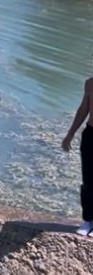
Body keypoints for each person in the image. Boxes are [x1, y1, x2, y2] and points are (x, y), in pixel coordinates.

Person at [61, 72, 93, 235]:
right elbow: (83, 110)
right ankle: (87, 220)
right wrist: (70, 135)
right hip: (90, 135)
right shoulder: (90, 84)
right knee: (87, 180)